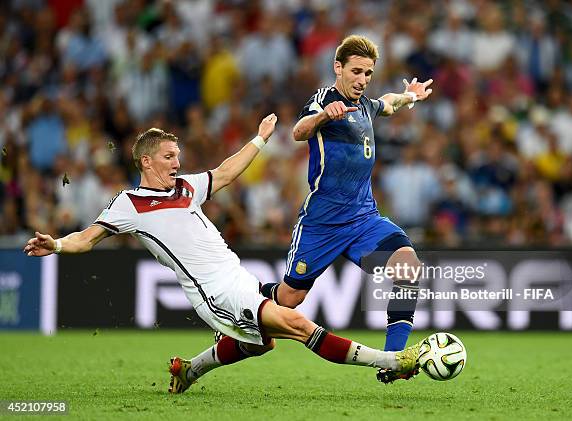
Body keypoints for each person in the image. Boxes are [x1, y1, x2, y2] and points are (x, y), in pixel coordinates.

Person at [23, 114, 423, 394]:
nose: (176, 164)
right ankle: (390, 361)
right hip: (214, 293)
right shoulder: (128, 204)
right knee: (297, 324)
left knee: (260, 343)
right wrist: (57, 244)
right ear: (145, 161)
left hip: (238, 277)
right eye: (167, 157)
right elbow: (86, 238)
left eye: (177, 156)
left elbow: (226, 173)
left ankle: (189, 369)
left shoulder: (184, 188)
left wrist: (261, 139)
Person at [259, 35, 433, 384]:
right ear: (338, 68)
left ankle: (393, 360)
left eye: (368, 73)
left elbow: (388, 102)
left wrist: (410, 96)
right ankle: (245, 302)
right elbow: (298, 131)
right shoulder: (324, 99)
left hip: (364, 219)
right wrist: (324, 116)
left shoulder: (366, 105)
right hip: (322, 223)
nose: (362, 79)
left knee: (408, 267)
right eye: (356, 71)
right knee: (290, 297)